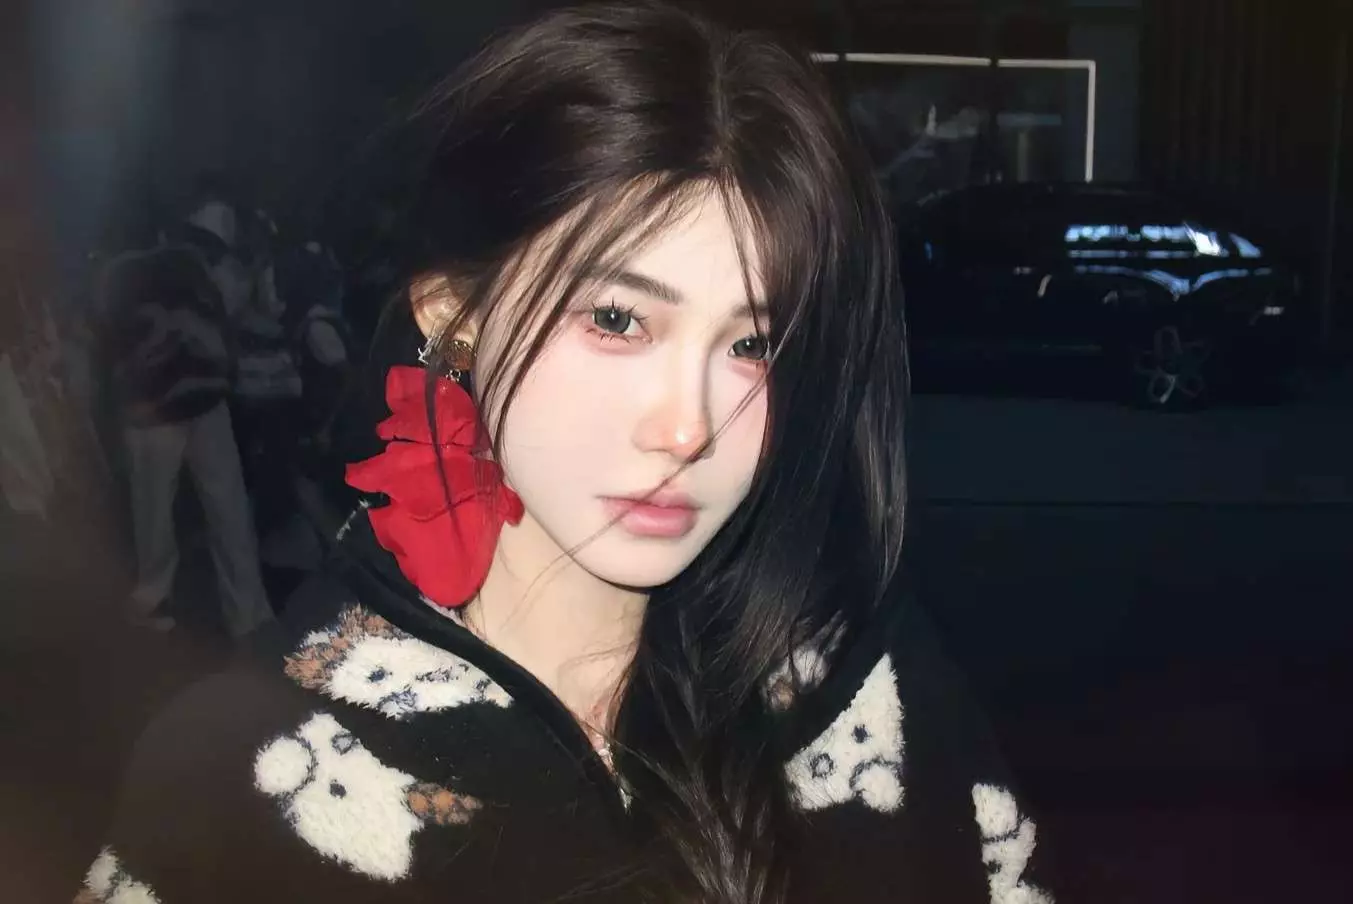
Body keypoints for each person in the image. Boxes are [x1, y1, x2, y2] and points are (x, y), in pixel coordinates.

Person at [77, 5, 1055, 903]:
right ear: (454, 317)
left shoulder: (869, 685)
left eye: (754, 344)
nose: (687, 428)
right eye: (619, 319)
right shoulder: (242, 774)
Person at [94, 223, 273, 636]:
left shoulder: (114, 278)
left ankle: (154, 601)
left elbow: (106, 346)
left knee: (153, 511)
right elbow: (221, 320)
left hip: (152, 407)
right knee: (228, 506)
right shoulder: (189, 263)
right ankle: (249, 613)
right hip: (205, 394)